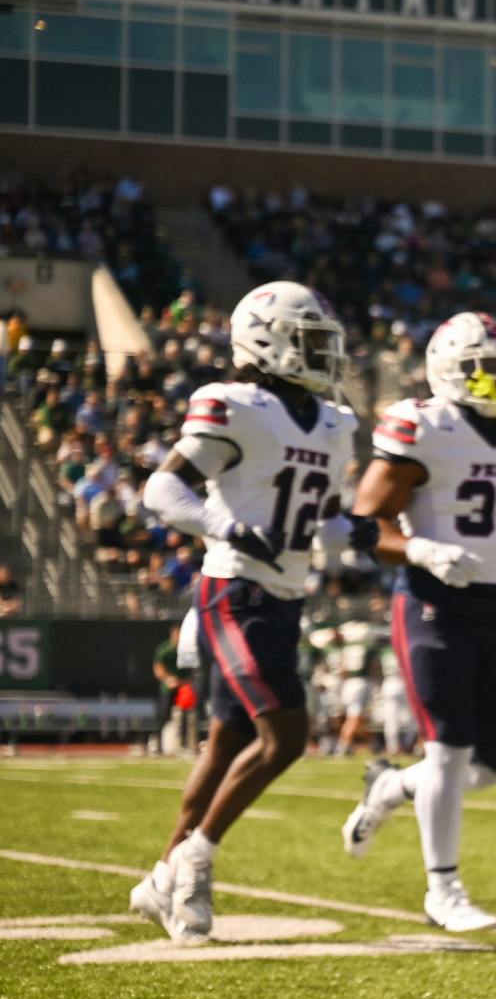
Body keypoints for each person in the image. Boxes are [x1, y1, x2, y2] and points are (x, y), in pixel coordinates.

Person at [128, 281, 365, 943]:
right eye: (311, 341)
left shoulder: (335, 422)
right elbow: (162, 485)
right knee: (286, 734)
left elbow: (323, 520)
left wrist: (364, 533)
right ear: (267, 340)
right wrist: (224, 528)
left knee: (228, 741)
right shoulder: (233, 405)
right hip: (233, 590)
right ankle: (194, 858)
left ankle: (160, 879)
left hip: (285, 596)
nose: (325, 355)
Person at [337, 312, 496, 932]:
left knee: (493, 762)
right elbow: (364, 522)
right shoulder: (422, 425)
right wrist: (421, 548)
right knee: (450, 748)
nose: (494, 383)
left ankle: (389, 790)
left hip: (495, 604)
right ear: (446, 372)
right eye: (481, 371)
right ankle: (443, 889)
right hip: (432, 600)